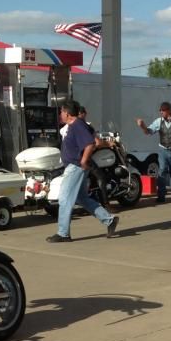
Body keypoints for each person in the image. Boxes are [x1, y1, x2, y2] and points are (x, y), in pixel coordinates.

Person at [47, 100, 119, 243]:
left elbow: (90, 144)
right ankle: (109, 220)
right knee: (82, 198)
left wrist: (84, 161)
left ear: (67, 113)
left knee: (64, 199)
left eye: (61, 112)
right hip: (75, 166)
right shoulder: (75, 125)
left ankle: (63, 233)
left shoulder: (77, 125)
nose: (60, 114)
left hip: (75, 167)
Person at [137, 101, 171, 203]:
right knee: (162, 171)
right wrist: (142, 126)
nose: (161, 112)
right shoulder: (158, 121)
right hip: (163, 150)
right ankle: (161, 195)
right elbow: (148, 131)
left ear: (169, 110)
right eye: (160, 110)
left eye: (163, 110)